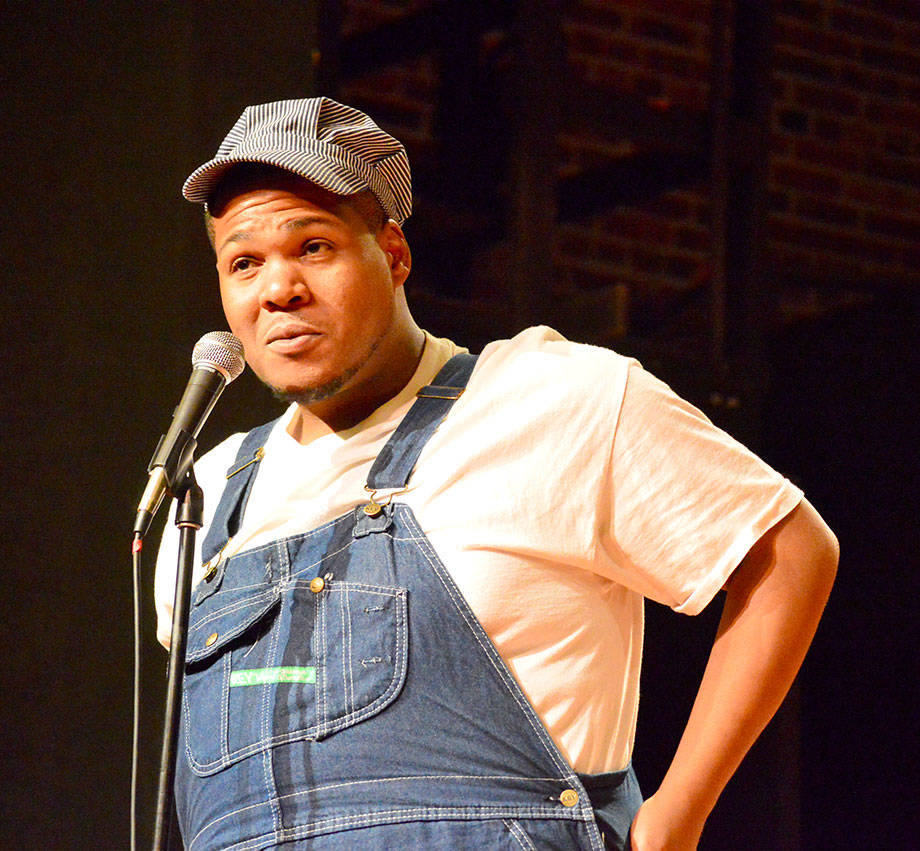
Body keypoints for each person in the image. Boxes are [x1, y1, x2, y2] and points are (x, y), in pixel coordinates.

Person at [154, 97, 838, 850]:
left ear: (394, 255)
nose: (278, 289)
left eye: (313, 247)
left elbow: (790, 551)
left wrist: (678, 815)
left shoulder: (550, 398)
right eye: (244, 263)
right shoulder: (207, 496)